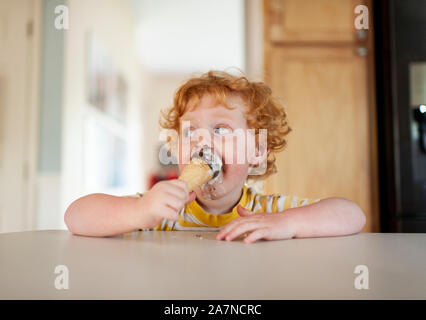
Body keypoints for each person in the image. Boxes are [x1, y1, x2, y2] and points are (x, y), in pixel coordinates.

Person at [64, 70, 366, 243]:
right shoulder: (163, 213)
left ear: (257, 151)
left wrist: (287, 224)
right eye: (189, 131)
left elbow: (352, 214)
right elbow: (76, 216)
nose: (201, 139)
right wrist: (141, 210)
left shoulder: (269, 212)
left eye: (220, 129)